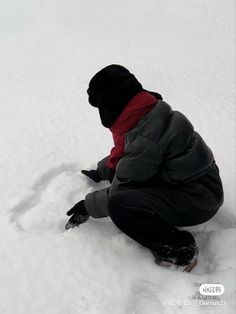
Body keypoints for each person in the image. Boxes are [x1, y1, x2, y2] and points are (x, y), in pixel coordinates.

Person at [65, 64, 224, 272]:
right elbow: (126, 151)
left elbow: (124, 184)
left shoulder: (145, 138)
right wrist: (103, 170)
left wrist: (87, 206)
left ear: (110, 106)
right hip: (201, 185)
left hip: (197, 201)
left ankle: (180, 249)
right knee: (131, 187)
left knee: (121, 205)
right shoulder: (149, 113)